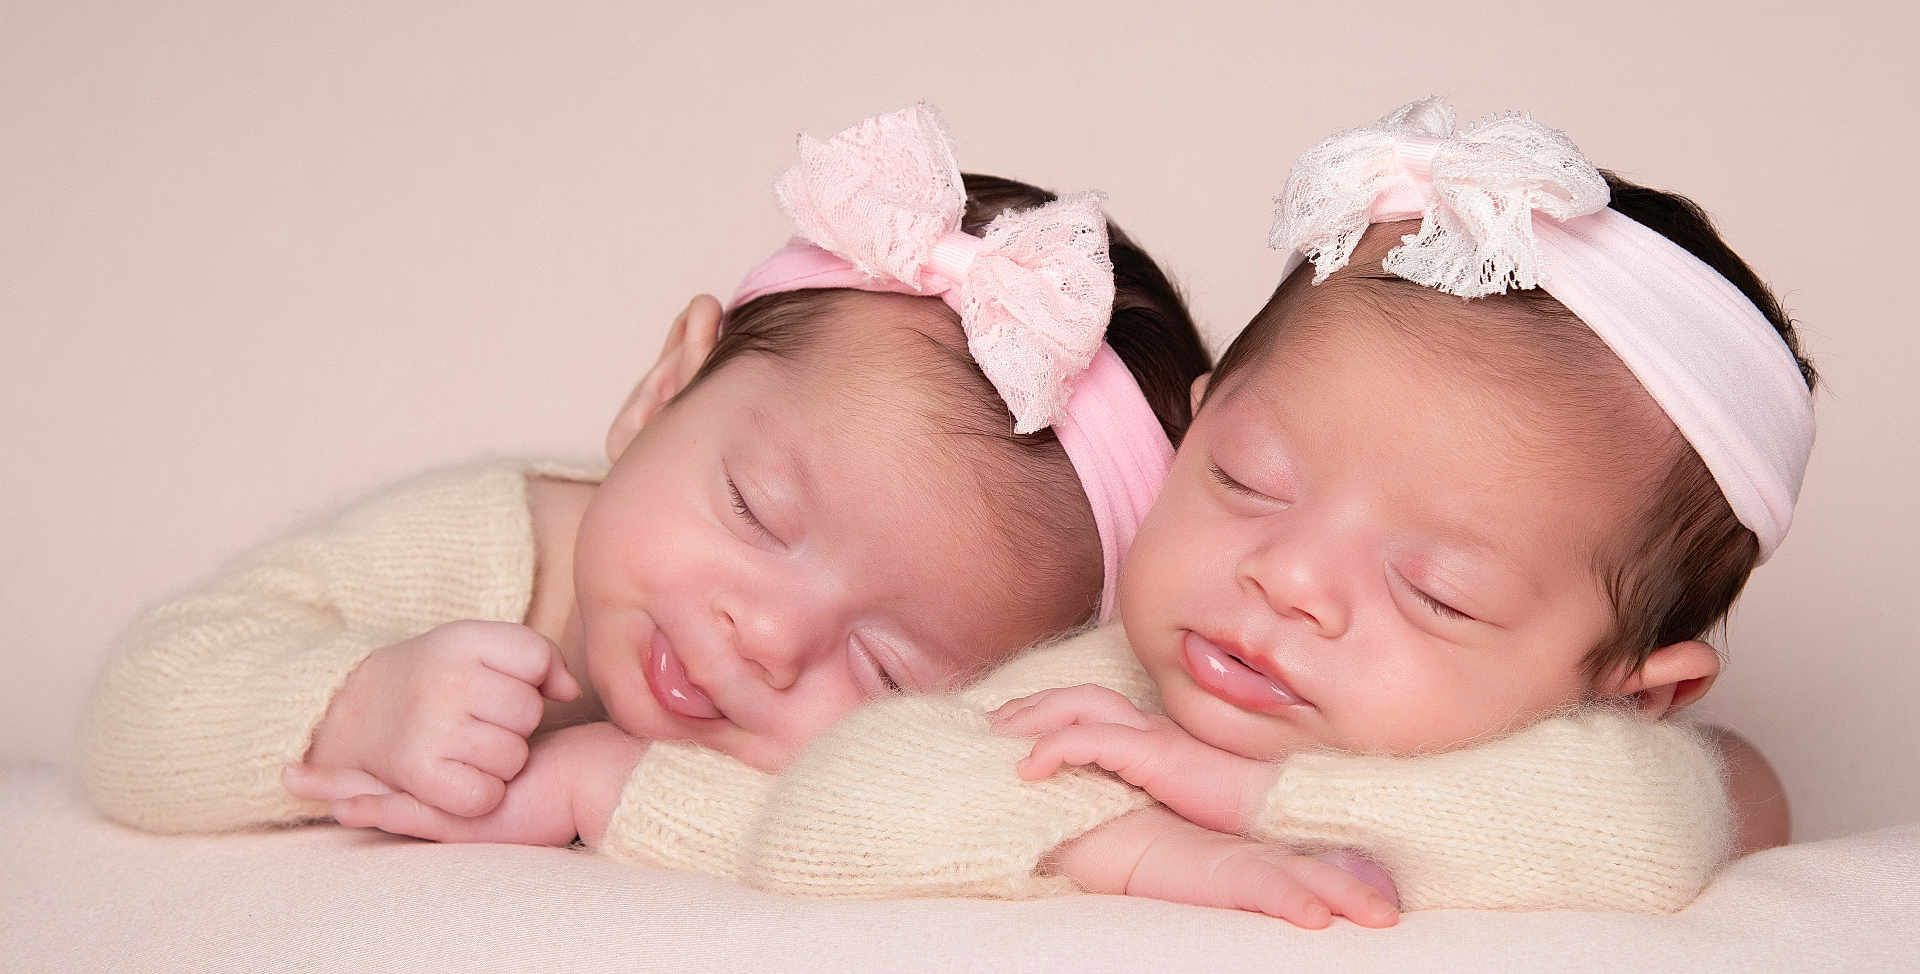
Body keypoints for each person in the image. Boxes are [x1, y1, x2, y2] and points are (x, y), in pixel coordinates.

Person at [309, 99, 1809, 929]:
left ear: (1631, 683)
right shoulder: (1073, 672)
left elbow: (1678, 814)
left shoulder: (1586, 758)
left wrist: (1251, 801)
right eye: (1247, 482)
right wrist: (602, 790)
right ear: (1196, 425)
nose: (1286, 580)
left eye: (1437, 592)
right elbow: (844, 809)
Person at [80, 105, 1210, 837]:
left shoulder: (828, 765)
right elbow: (137, 712)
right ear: (662, 390)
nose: (767, 638)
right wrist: (351, 706)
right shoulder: (481, 546)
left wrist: (610, 781)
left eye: (881, 668)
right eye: (756, 511)